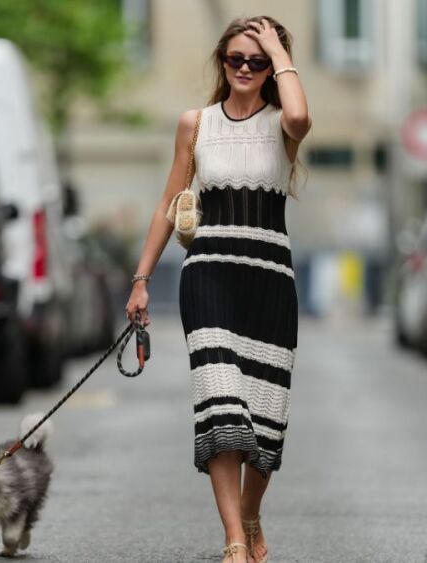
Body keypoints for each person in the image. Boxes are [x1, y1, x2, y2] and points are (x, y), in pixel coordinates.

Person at [126, 15, 311, 563]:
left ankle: (252, 514)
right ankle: (233, 538)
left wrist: (279, 51)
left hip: (269, 284)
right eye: (236, 60)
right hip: (207, 277)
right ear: (221, 62)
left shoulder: (284, 123)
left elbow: (301, 112)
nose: (246, 69)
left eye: (258, 61)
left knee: (265, 417)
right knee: (220, 407)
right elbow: (168, 204)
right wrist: (140, 279)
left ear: (273, 66)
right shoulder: (196, 123)